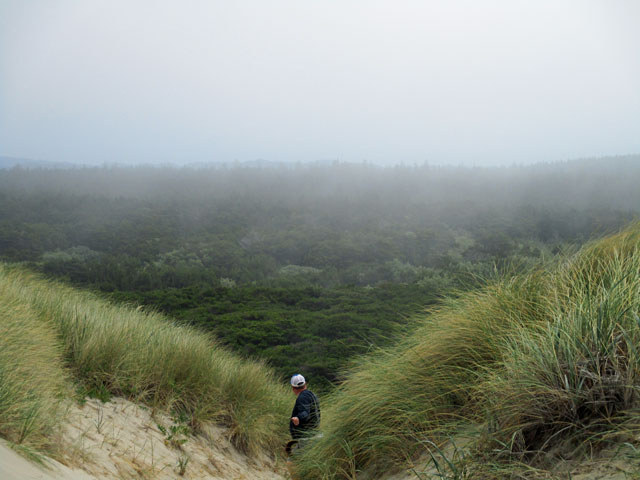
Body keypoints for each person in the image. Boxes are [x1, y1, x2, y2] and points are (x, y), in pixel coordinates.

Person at [289, 374, 320, 443]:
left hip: (305, 438)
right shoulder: (312, 395)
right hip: (314, 433)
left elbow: (305, 413)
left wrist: (298, 418)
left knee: (298, 453)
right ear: (305, 384)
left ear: (293, 387)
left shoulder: (302, 397)